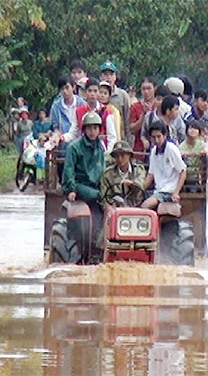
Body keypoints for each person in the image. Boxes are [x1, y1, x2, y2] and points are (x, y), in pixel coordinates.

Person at [62, 111, 105, 263]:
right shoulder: (74, 148)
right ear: (84, 130)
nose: (92, 132)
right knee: (97, 204)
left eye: (95, 128)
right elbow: (69, 171)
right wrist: (71, 189)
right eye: (89, 128)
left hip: (98, 188)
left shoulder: (101, 146)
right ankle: (92, 247)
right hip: (81, 187)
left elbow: (103, 170)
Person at [141, 121, 187, 209]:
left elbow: (183, 171)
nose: (156, 140)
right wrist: (140, 189)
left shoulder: (171, 149)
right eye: (154, 137)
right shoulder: (154, 151)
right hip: (157, 190)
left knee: (145, 205)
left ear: (165, 136)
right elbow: (151, 175)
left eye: (159, 136)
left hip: (168, 191)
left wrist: (176, 192)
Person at [101, 141, 146, 208]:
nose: (120, 159)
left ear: (129, 155)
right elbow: (104, 196)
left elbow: (141, 185)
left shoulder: (138, 170)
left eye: (122, 155)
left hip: (136, 206)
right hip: (116, 208)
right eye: (116, 156)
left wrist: (132, 183)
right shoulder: (108, 174)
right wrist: (109, 206)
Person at [100, 60, 131, 144]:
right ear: (101, 77)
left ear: (115, 77)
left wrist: (128, 142)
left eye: (111, 74)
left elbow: (127, 121)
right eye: (105, 74)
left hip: (120, 140)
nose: (108, 77)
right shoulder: (96, 93)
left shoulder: (122, 95)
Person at [179, 120, 208, 191]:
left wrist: (207, 152)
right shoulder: (182, 146)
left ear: (199, 132)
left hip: (196, 177)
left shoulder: (201, 144)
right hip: (183, 176)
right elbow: (180, 153)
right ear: (186, 131)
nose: (193, 130)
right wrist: (196, 153)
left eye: (195, 129)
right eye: (191, 128)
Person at [49, 76, 85, 145]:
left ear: (73, 87)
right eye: (62, 89)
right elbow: (55, 127)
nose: (65, 91)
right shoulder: (55, 107)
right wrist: (56, 135)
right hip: (63, 146)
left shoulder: (82, 104)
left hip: (81, 145)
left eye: (67, 87)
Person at [130, 77, 156, 153]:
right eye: (143, 89)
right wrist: (143, 116)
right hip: (139, 149)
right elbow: (132, 130)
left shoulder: (159, 106)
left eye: (149, 88)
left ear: (155, 89)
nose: (146, 92)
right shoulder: (135, 107)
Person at [140, 84, 171, 150]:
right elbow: (143, 134)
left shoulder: (172, 116)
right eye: (158, 99)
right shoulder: (149, 116)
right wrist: (145, 141)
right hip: (152, 151)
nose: (160, 102)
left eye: (163, 100)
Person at [97, 81, 119, 152]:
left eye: (105, 93)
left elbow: (113, 135)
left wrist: (109, 152)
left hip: (105, 147)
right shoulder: (92, 109)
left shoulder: (111, 111)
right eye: (100, 92)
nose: (102, 95)